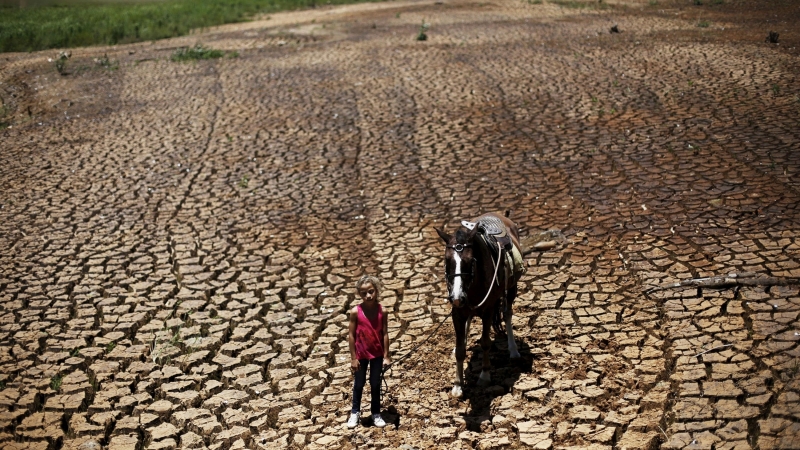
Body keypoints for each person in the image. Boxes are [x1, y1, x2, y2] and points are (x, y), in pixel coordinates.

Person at [347, 275, 391, 429]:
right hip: (361, 355)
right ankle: (355, 412)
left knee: (375, 383)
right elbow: (351, 336)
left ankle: (376, 413)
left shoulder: (382, 311)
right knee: (359, 383)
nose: (368, 296)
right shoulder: (355, 312)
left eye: (371, 291)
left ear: (377, 291)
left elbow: (385, 333)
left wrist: (386, 356)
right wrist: (353, 358)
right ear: (360, 294)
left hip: (377, 355)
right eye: (364, 293)